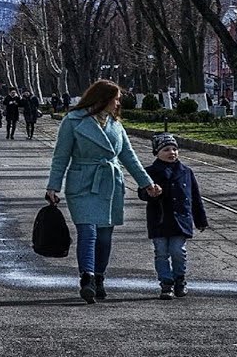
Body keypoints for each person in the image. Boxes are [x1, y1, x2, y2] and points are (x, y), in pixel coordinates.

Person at [45, 79, 160, 304]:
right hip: (82, 184)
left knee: (105, 237)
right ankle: (86, 278)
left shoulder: (115, 124)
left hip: (109, 184)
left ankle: (99, 277)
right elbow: (60, 156)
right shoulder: (73, 121)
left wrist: (147, 183)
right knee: (88, 231)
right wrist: (53, 186)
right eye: (115, 99)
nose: (118, 103)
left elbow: (129, 157)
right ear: (102, 99)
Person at [138, 133, 208, 299]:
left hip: (180, 221)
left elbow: (195, 197)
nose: (172, 152)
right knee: (161, 253)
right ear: (156, 153)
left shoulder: (186, 172)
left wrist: (200, 220)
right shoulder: (150, 172)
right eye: (166, 149)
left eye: (174, 149)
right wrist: (151, 193)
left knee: (178, 251)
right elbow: (141, 193)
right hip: (159, 220)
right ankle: (166, 283)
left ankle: (179, 279)